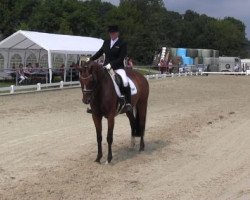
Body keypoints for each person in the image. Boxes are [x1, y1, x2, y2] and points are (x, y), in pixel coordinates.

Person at [88, 25, 132, 113]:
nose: (112, 34)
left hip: (118, 68)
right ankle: (93, 104)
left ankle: (127, 103)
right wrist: (90, 59)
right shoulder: (106, 42)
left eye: (113, 33)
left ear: (117, 33)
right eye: (110, 33)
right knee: (95, 81)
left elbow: (121, 58)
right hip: (106, 67)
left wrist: (111, 64)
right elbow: (100, 52)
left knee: (125, 81)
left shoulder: (122, 43)